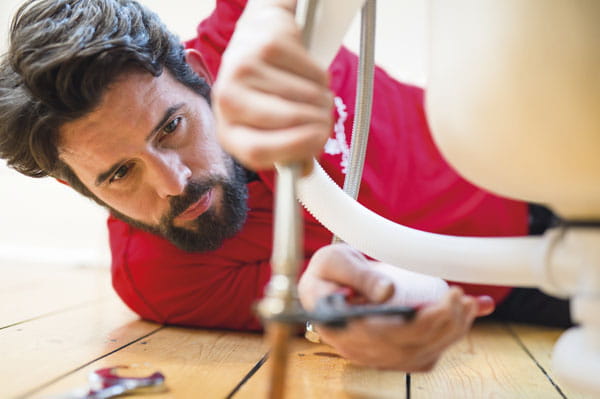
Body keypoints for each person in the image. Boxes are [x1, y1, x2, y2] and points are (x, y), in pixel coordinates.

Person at [0, 0, 569, 372]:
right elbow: (325, 299)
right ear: (73, 183)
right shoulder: (161, 280)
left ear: (199, 74)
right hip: (524, 282)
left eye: (172, 127)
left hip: (538, 144)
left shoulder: (236, 32)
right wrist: (326, 312)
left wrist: (266, 21)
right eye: (120, 173)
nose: (176, 184)